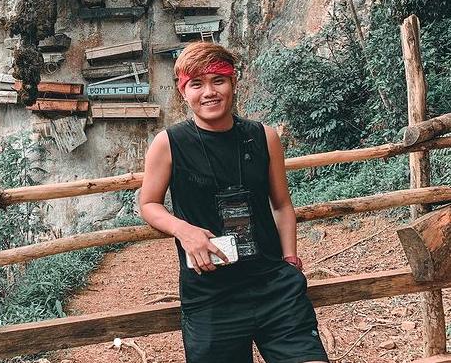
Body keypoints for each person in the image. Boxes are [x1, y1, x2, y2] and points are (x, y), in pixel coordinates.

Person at [139, 41, 329, 363]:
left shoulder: (263, 136)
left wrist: (290, 260)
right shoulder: (169, 143)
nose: (209, 92)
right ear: (184, 91)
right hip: (211, 294)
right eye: (196, 84)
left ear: (233, 82)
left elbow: (282, 205)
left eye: (218, 80)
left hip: (274, 285)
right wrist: (185, 232)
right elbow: (149, 204)